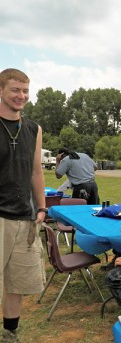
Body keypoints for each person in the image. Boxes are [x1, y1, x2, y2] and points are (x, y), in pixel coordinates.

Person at [0, 68, 46, 342]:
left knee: (16, 283)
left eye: (26, 90)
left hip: (25, 217)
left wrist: (41, 207)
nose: (22, 96)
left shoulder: (33, 128)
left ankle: (10, 334)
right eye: (15, 89)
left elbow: (36, 171)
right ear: (1, 91)